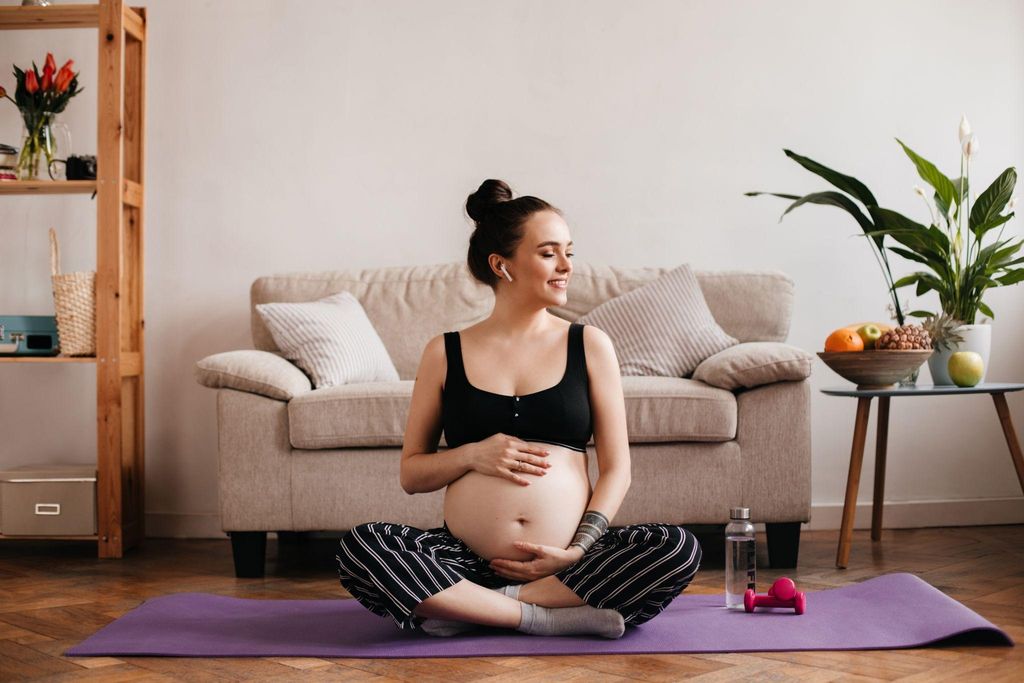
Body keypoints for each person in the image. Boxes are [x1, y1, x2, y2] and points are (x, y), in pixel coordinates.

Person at [336, 179, 702, 638]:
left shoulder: (588, 345)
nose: (567, 266)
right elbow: (412, 474)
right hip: (464, 560)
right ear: (501, 264)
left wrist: (578, 549)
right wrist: (471, 455)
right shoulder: (443, 352)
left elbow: (617, 470)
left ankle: (468, 608)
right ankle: (542, 618)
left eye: (569, 251)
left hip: (568, 561)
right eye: (549, 253)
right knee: (361, 547)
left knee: (677, 548)